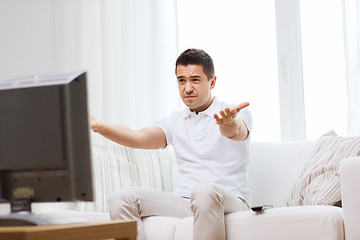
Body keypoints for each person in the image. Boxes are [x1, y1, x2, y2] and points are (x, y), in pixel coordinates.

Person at [90, 48, 252, 240]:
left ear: (212, 81)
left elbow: (235, 131)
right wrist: (99, 126)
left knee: (204, 190)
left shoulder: (234, 113)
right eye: (182, 80)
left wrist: (228, 123)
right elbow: (137, 138)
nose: (188, 88)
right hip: (187, 202)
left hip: (230, 201)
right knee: (122, 197)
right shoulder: (175, 121)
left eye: (195, 80)